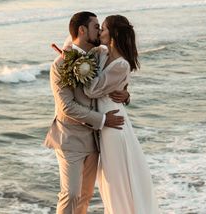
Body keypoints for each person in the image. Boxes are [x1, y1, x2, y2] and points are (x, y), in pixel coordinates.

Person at [44, 11, 130, 214]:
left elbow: (116, 75)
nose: (100, 30)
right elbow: (67, 106)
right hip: (70, 138)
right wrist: (102, 119)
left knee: (85, 195)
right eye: (95, 26)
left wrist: (126, 94)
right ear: (82, 30)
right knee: (71, 194)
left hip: (94, 140)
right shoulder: (60, 65)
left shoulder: (100, 54)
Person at [83, 14, 160, 214]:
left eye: (104, 28)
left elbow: (92, 90)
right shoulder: (101, 53)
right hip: (104, 122)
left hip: (113, 125)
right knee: (109, 178)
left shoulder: (121, 65)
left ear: (114, 33)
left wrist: (124, 94)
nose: (100, 31)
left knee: (116, 177)